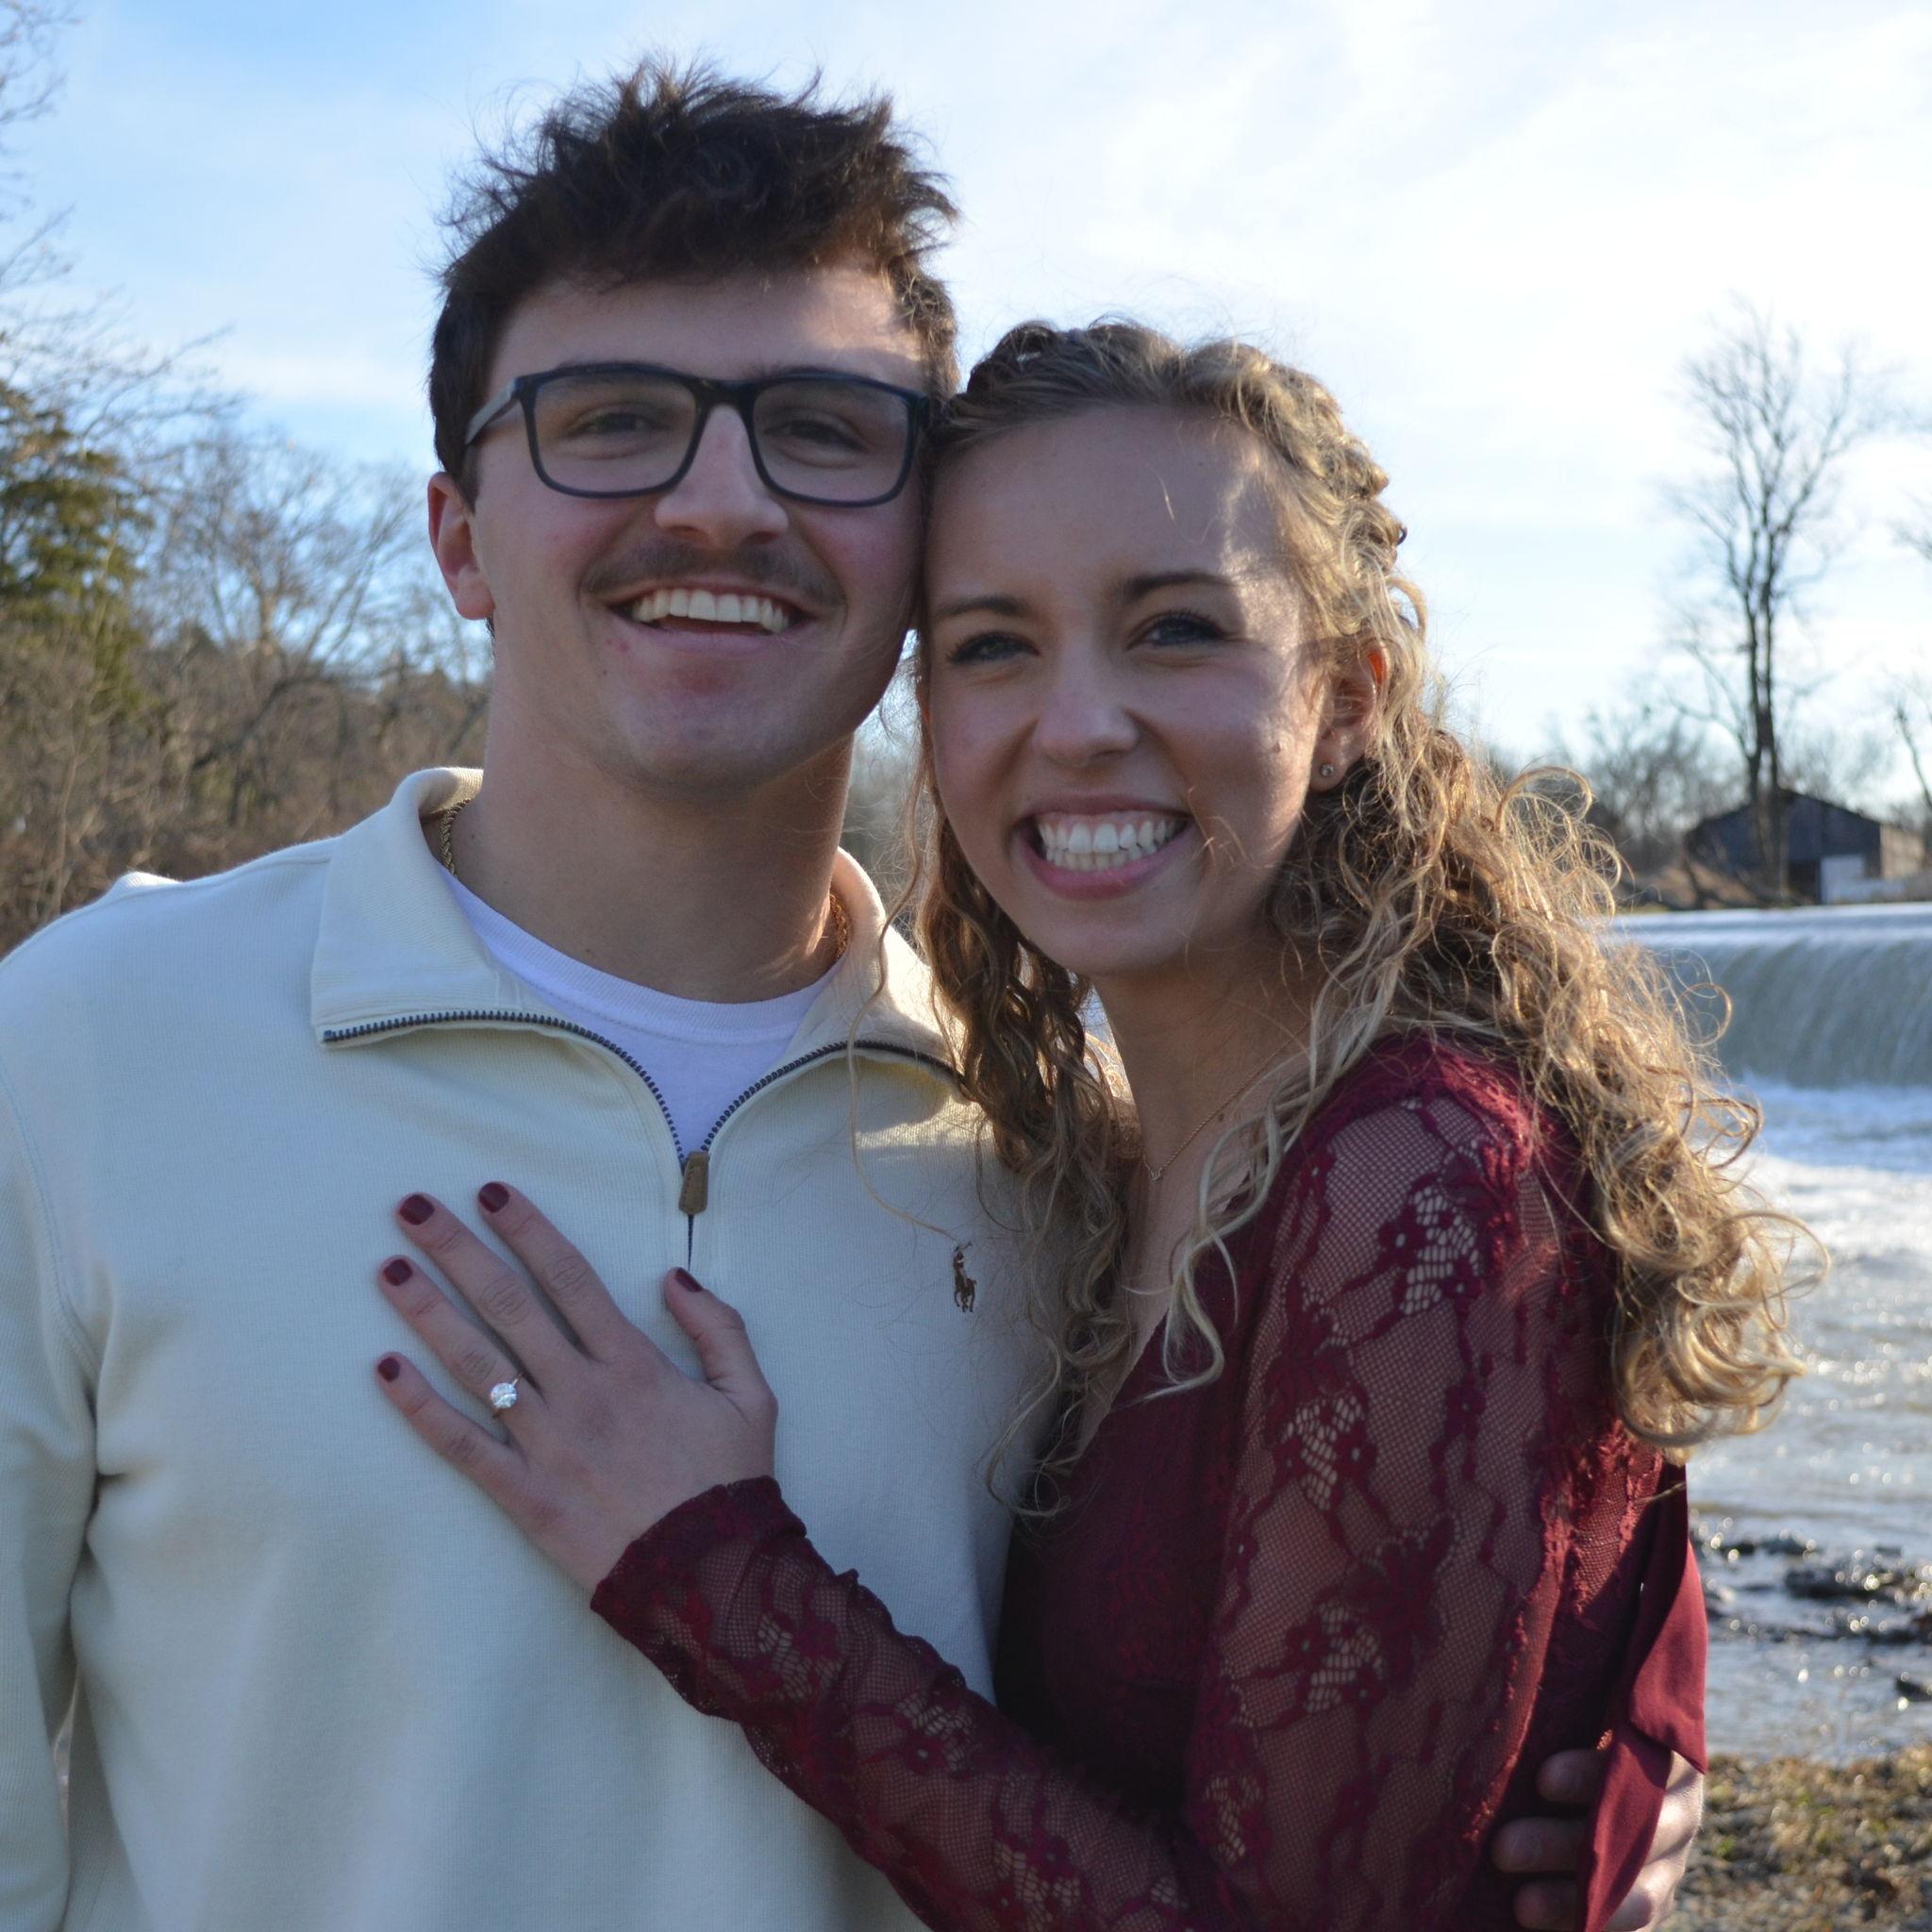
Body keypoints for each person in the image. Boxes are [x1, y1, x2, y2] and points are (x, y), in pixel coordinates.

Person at [0, 65, 1695, 1932]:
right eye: (610, 421)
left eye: (819, 430)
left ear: (906, 562)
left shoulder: (1051, 1154)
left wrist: (1622, 1727)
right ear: (460, 537)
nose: (721, 501)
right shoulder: (89, 1050)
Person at [366, 321, 1806, 1928]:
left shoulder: (1421, 1181)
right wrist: (1652, 1704)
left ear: (1346, 698)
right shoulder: (1085, 1164)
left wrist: (709, 1565)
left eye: (1174, 630)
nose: (1076, 724)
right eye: (993, 645)